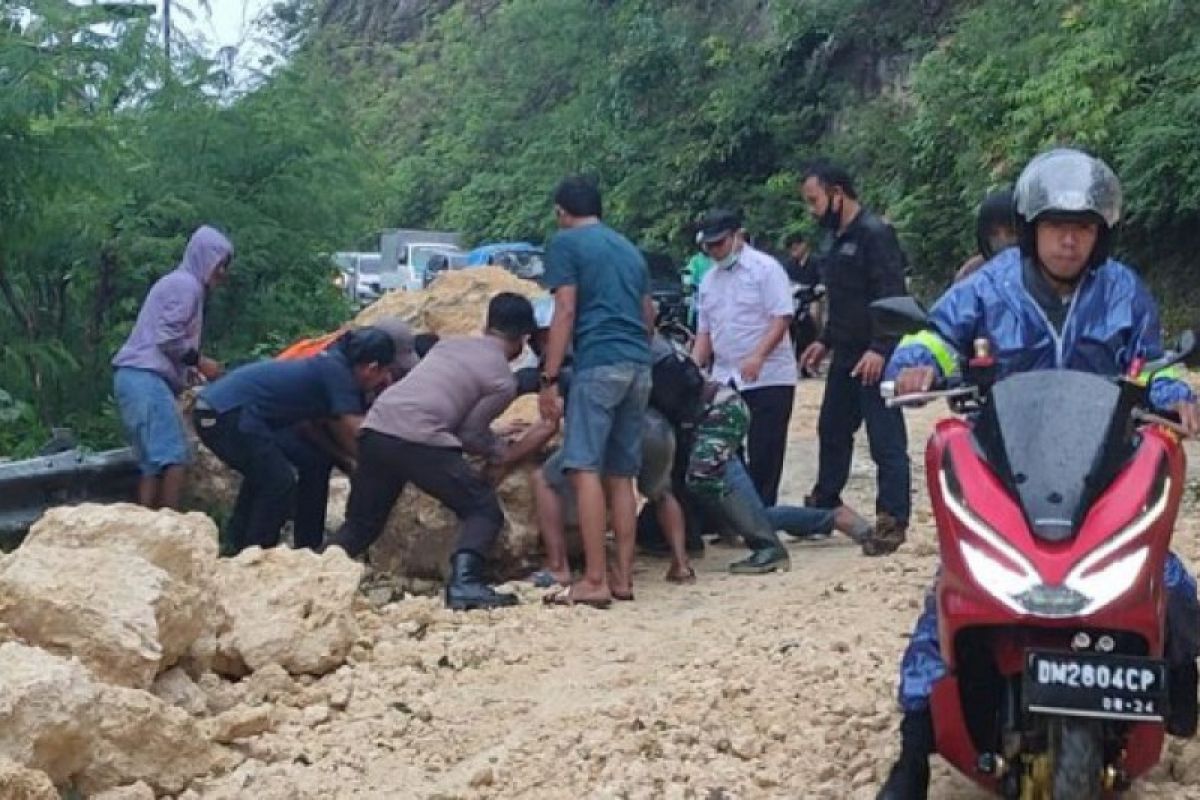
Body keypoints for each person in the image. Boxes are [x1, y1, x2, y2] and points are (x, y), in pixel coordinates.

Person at [876, 148, 1200, 800]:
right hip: (1004, 466)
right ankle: (913, 749)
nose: (1070, 238)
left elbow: (1153, 362)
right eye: (1056, 225)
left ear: (1101, 234)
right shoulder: (989, 287)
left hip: (1101, 465)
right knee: (952, 586)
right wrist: (916, 362)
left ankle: (1178, 678)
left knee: (1166, 577)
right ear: (1031, 229)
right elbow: (937, 334)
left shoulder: (1124, 291)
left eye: (1083, 227)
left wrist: (1175, 393)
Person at [326, 293, 557, 611]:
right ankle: (465, 584)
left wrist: (487, 434)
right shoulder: (502, 379)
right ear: (524, 339)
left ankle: (312, 575)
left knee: (362, 524)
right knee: (481, 508)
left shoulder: (448, 345)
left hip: (377, 428)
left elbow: (445, 398)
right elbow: (470, 433)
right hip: (420, 439)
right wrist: (500, 450)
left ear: (487, 324)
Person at [537, 176, 655, 607]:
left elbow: (565, 308)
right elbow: (648, 315)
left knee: (584, 467)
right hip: (638, 365)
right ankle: (623, 578)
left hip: (599, 363)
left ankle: (593, 579)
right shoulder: (628, 248)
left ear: (561, 212)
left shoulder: (566, 244)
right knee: (622, 474)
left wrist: (549, 378)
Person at [193, 328, 395, 554]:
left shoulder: (332, 362)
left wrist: (345, 461)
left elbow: (309, 426)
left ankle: (304, 545)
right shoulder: (337, 374)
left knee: (311, 461)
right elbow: (355, 431)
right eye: (383, 375)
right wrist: (379, 466)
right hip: (227, 413)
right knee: (277, 481)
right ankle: (254, 555)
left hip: (224, 409)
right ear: (372, 368)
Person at [797, 160, 911, 556]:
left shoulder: (875, 235)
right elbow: (842, 298)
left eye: (814, 200)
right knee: (831, 428)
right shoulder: (833, 239)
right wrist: (823, 341)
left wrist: (881, 349)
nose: (812, 210)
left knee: (886, 441)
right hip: (845, 353)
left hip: (874, 355)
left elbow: (891, 295)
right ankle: (826, 501)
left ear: (836, 193)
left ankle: (893, 520)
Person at [273, 317, 425, 549]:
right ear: (375, 361)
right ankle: (298, 547)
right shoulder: (336, 369)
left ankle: (308, 545)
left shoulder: (354, 356)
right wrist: (354, 460)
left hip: (299, 414)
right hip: (278, 416)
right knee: (310, 465)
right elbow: (315, 424)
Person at [112, 225, 233, 510]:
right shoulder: (185, 286)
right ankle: (169, 525)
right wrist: (202, 362)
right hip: (145, 378)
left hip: (135, 377)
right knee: (173, 456)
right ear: (206, 258)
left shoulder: (180, 284)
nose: (222, 273)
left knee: (153, 463)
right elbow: (167, 338)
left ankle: (148, 524)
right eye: (220, 265)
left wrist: (188, 372)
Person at [691, 209, 797, 507]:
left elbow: (781, 316)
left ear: (738, 236)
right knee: (726, 451)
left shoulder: (765, 269)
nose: (714, 251)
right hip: (726, 377)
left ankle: (763, 516)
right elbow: (705, 333)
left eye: (720, 244)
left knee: (765, 451)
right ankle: (735, 516)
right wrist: (693, 368)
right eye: (708, 246)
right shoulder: (709, 281)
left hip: (769, 376)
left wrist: (758, 355)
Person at [953, 189, 1017, 283]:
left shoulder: (1041, 268)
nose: (1003, 239)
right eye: (994, 234)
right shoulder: (971, 273)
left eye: (1011, 232)